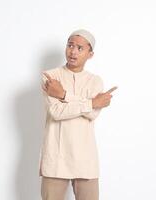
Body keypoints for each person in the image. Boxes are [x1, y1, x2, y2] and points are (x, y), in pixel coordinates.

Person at [38, 29, 117, 200]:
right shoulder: (51, 77)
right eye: (70, 45)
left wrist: (64, 95)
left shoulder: (95, 81)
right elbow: (56, 111)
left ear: (90, 54)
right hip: (56, 158)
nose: (73, 51)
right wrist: (91, 102)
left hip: (85, 160)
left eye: (80, 48)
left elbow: (92, 115)